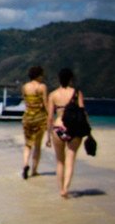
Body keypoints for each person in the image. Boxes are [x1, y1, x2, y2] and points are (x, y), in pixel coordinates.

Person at [47, 68, 86, 199]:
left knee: (59, 161)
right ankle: (66, 189)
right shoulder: (77, 93)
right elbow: (82, 112)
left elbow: (50, 118)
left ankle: (60, 189)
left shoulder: (53, 95)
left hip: (59, 129)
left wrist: (48, 136)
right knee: (70, 160)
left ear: (59, 79)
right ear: (71, 79)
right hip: (74, 130)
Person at [20, 65, 48, 179]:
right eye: (42, 75)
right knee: (37, 145)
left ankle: (25, 164)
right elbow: (45, 104)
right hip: (39, 118)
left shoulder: (25, 87)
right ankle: (34, 170)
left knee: (27, 144)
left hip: (27, 118)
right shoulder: (42, 87)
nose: (43, 77)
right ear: (38, 75)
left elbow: (25, 100)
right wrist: (51, 116)